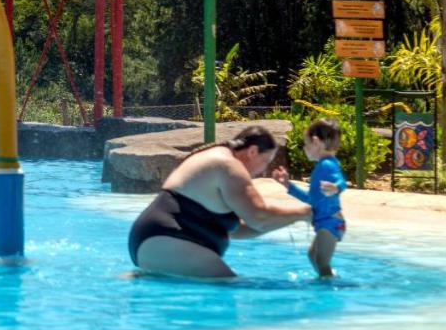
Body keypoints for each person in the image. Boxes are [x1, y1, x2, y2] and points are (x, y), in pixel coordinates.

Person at [128, 125, 311, 278]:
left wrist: (294, 218)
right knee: (234, 288)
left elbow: (238, 229)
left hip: (154, 241)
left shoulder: (220, 157)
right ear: (252, 151)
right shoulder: (228, 165)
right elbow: (259, 217)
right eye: (265, 161)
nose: (263, 170)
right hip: (166, 239)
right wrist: (306, 212)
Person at [274, 118, 348, 277]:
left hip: (331, 222)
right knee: (312, 256)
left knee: (321, 261)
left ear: (316, 142)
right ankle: (327, 280)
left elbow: (342, 181)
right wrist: (288, 186)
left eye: (306, 144)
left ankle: (328, 289)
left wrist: (337, 188)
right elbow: (311, 199)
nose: (305, 148)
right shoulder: (322, 166)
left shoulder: (328, 165)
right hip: (324, 222)